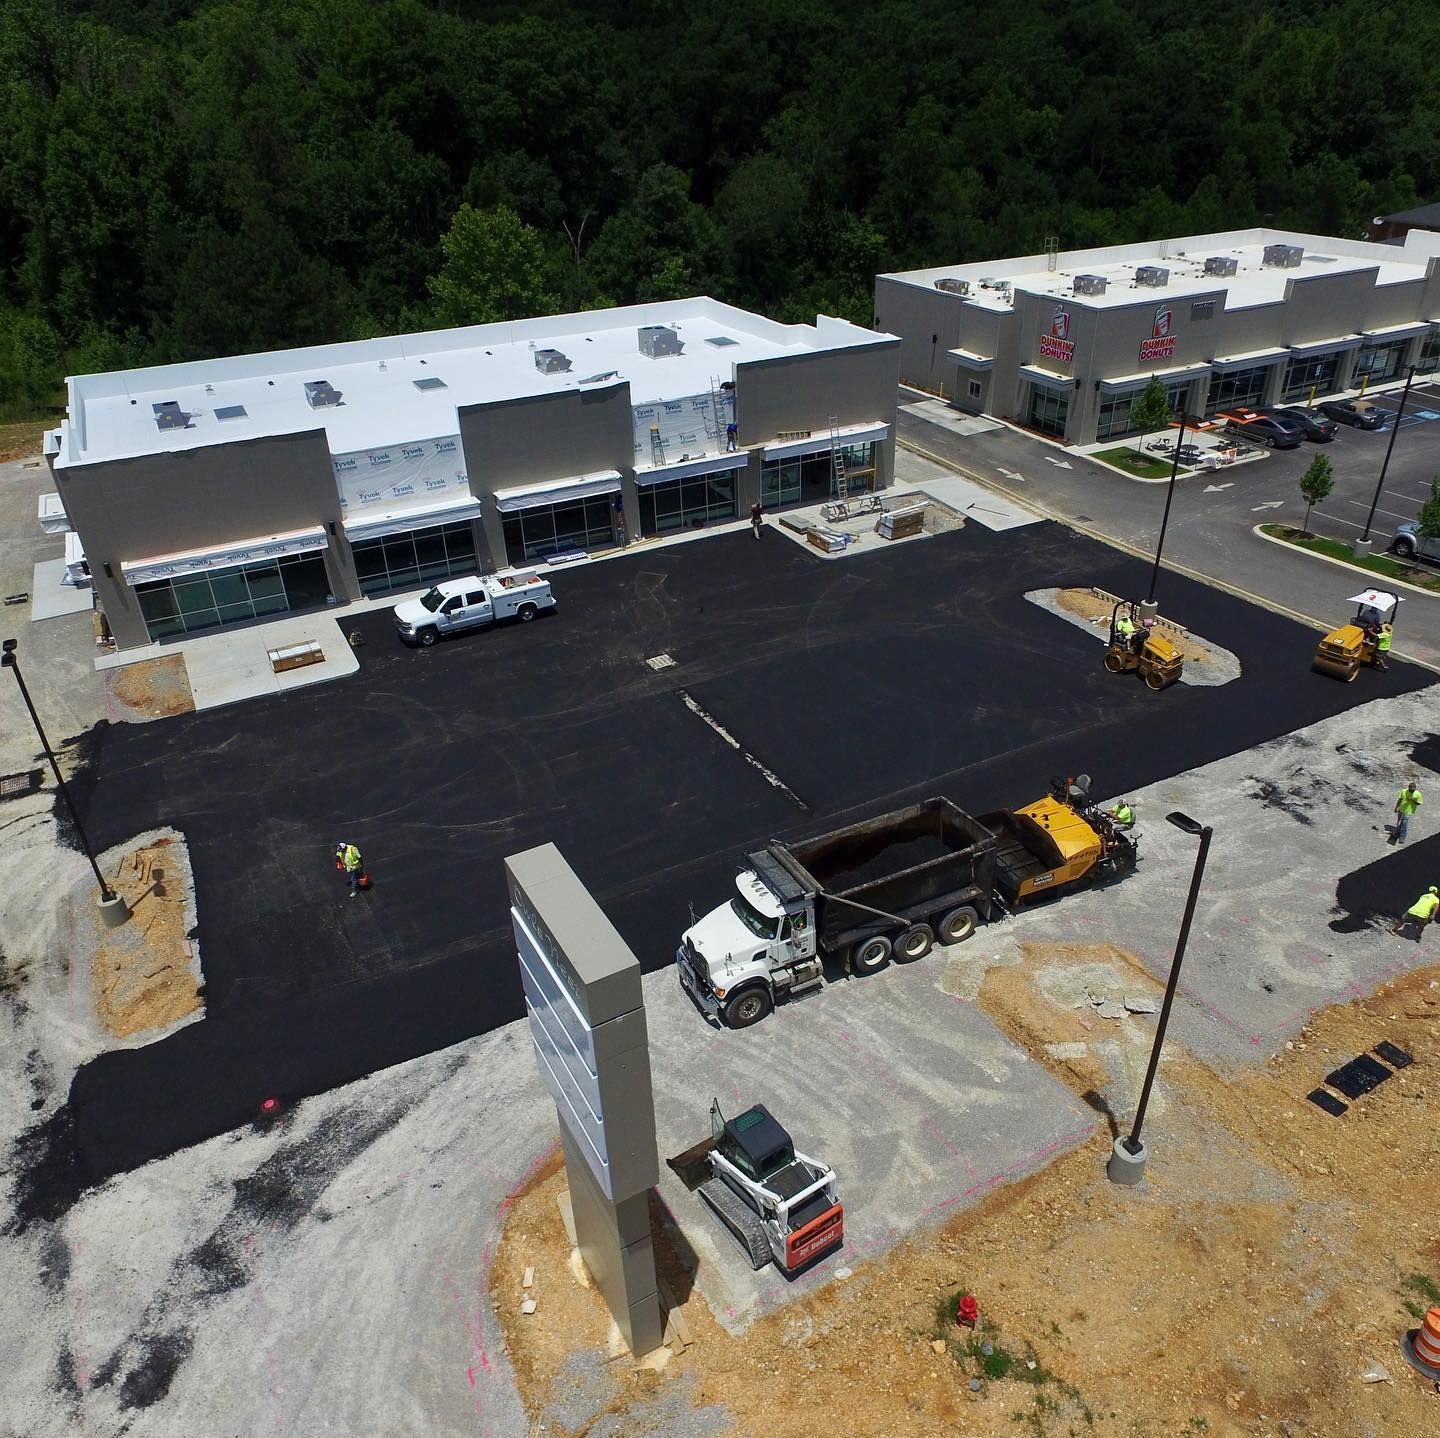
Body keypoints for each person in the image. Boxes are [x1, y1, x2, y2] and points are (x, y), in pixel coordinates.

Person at [1392, 781, 1423, 845]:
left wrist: (1413, 800)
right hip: (1401, 809)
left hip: (1409, 811)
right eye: (1411, 790)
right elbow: (1400, 800)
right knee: (1399, 822)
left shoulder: (1418, 794)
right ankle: (1397, 833)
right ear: (1408, 788)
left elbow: (1419, 803)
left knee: (1404, 823)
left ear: (1415, 788)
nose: (1412, 791)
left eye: (1413, 790)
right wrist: (1396, 807)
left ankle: (1402, 837)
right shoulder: (1403, 791)